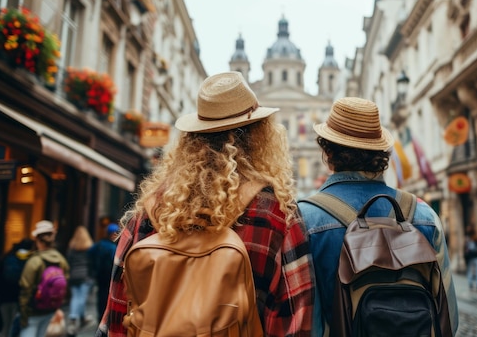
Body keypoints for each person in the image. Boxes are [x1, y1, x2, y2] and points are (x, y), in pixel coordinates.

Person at [95, 71, 314, 337]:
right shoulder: (276, 212)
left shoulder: (153, 209)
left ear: (191, 139)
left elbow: (117, 308)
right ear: (261, 135)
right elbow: (293, 318)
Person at [298, 97, 458, 336]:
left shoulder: (304, 218)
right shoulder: (423, 214)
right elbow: (449, 319)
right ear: (381, 153)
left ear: (327, 151)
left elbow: (306, 324)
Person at [18, 220, 70, 337]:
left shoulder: (35, 261)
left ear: (37, 239)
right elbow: (65, 284)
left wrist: (23, 314)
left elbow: (26, 289)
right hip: (50, 309)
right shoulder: (61, 260)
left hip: (33, 310)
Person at [0, 238, 34, 337]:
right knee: (14, 325)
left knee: (5, 324)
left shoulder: (7, 257)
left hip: (4, 297)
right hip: (18, 297)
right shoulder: (29, 259)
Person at [65, 226, 94, 336]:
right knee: (81, 299)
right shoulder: (89, 248)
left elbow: (69, 262)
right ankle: (73, 319)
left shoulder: (72, 248)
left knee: (75, 297)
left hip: (73, 276)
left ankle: (81, 318)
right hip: (85, 276)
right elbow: (92, 263)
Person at [88, 223, 119, 321]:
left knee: (100, 295)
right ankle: (104, 316)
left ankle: (100, 315)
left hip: (99, 274)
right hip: (109, 275)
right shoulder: (112, 247)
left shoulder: (99, 244)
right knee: (107, 295)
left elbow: (90, 252)